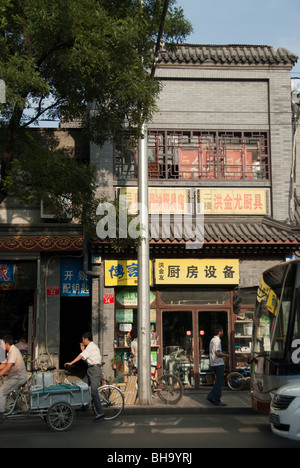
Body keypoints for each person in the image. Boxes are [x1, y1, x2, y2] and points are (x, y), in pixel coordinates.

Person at [64, 332, 105, 422]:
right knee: (82, 386)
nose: (82, 341)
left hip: (95, 370)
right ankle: (84, 405)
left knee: (94, 392)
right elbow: (87, 357)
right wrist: (83, 350)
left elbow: (81, 356)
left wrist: (71, 362)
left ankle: (100, 413)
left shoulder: (91, 347)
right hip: (90, 370)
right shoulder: (89, 348)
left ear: (86, 339)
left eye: (82, 339)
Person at [0, 335, 28, 423]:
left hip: (19, 377)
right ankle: (15, 406)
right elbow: (4, 364)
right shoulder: (10, 352)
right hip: (15, 377)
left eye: (2, 344)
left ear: (7, 343)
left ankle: (1, 415)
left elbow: (8, 367)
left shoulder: (13, 351)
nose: (1, 346)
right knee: (5, 390)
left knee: (1, 392)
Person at [207, 326, 229, 407]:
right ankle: (217, 400)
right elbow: (217, 353)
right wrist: (226, 355)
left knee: (217, 382)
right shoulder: (217, 340)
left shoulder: (212, 340)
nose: (223, 332)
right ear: (219, 332)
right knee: (219, 383)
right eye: (222, 331)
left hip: (213, 363)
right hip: (218, 363)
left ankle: (210, 396)